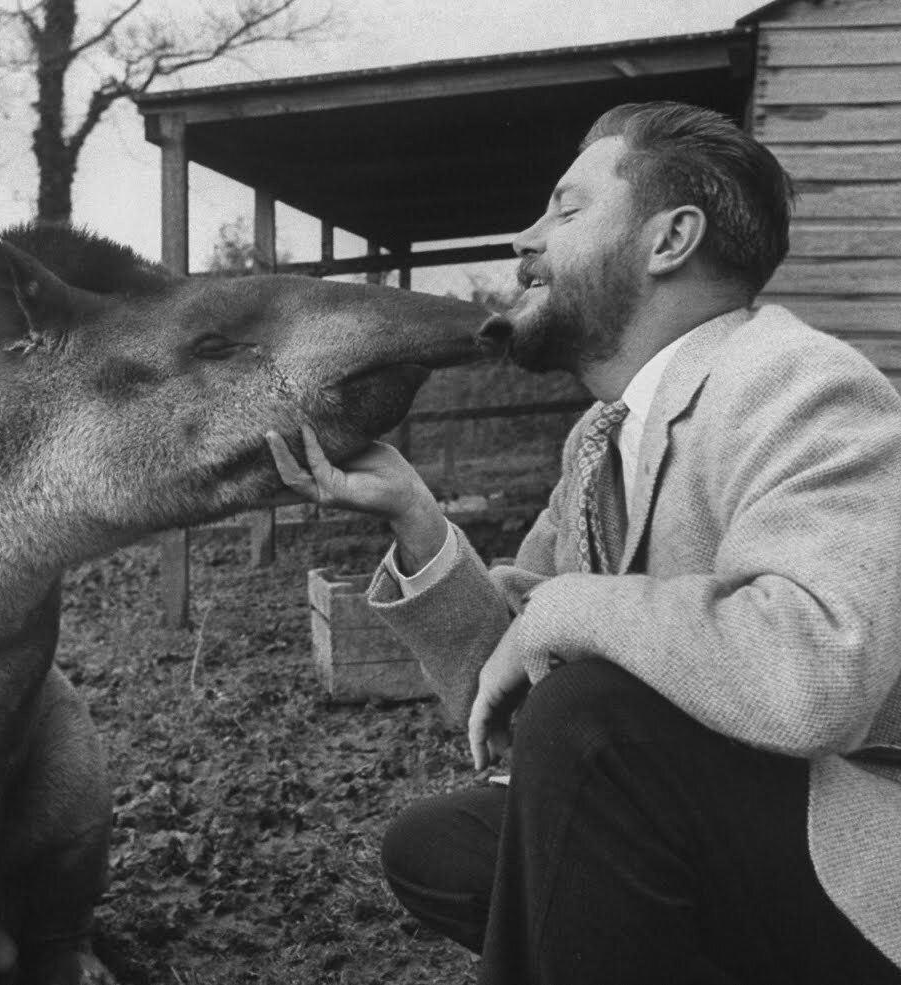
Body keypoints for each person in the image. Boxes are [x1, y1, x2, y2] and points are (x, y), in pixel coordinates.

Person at [266, 101, 901, 984]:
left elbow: (816, 674)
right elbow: (521, 685)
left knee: (594, 718)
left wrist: (565, 609)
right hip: (703, 821)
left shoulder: (800, 383)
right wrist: (415, 516)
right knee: (436, 844)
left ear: (669, 240)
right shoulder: (600, 440)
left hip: (860, 857)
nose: (526, 237)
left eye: (565, 210)